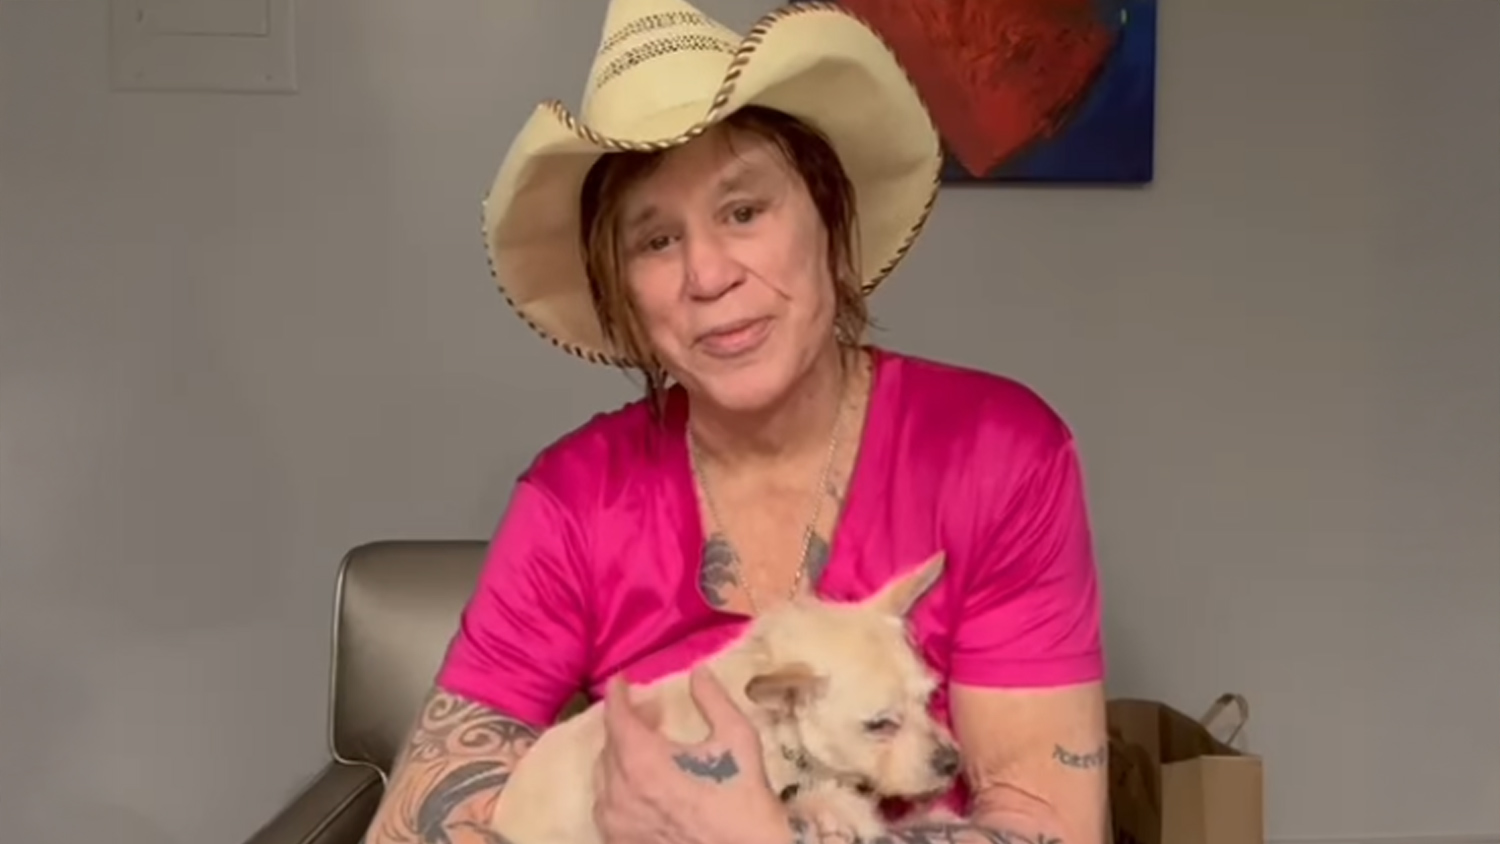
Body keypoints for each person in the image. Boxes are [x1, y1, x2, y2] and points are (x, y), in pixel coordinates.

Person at [363, 1, 1108, 844]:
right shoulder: (576, 500)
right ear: (625, 298)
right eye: (655, 241)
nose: (708, 274)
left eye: (744, 211)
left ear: (828, 221)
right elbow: (411, 821)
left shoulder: (996, 456)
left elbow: (1050, 826)